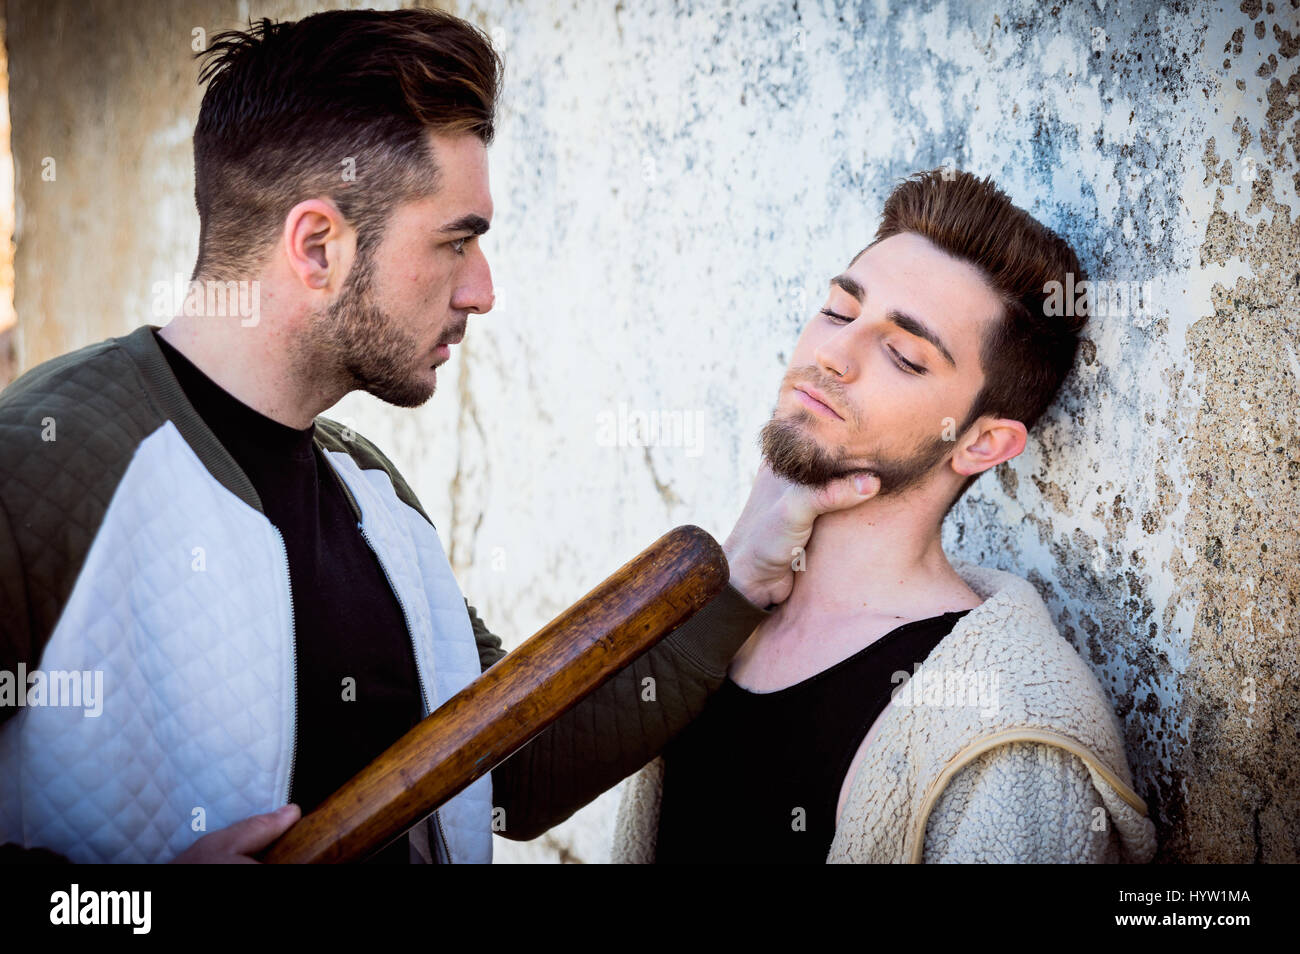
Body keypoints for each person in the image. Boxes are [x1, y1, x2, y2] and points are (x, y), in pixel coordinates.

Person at [0, 8, 876, 864]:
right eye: (457, 243)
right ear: (317, 247)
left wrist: (744, 570)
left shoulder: (371, 493)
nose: (482, 291)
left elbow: (513, 763)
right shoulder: (41, 466)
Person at [611, 169, 1159, 864]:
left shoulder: (1007, 737)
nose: (832, 355)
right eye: (840, 311)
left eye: (904, 355)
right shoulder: (709, 625)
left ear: (982, 442)